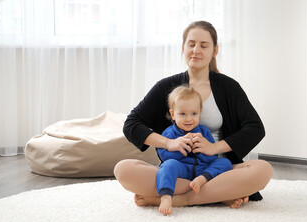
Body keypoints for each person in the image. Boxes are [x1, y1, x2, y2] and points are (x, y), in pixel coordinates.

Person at [114, 20, 273, 210]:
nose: (196, 50)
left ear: (215, 50)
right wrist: (168, 143)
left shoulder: (229, 87)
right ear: (183, 47)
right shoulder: (165, 87)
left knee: (263, 170)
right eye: (191, 44)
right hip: (178, 170)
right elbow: (131, 124)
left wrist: (213, 148)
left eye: (204, 45)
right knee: (123, 169)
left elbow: (255, 128)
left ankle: (178, 198)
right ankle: (219, 195)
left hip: (217, 171)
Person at [157, 85, 233, 215]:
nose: (188, 119)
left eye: (194, 113)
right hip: (182, 169)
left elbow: (212, 156)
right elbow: (163, 156)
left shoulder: (203, 132)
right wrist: (182, 149)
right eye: (182, 114)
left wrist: (201, 149)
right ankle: (166, 196)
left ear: (199, 113)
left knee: (225, 163)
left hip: (202, 169)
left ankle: (202, 179)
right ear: (173, 114)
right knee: (168, 166)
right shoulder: (169, 134)